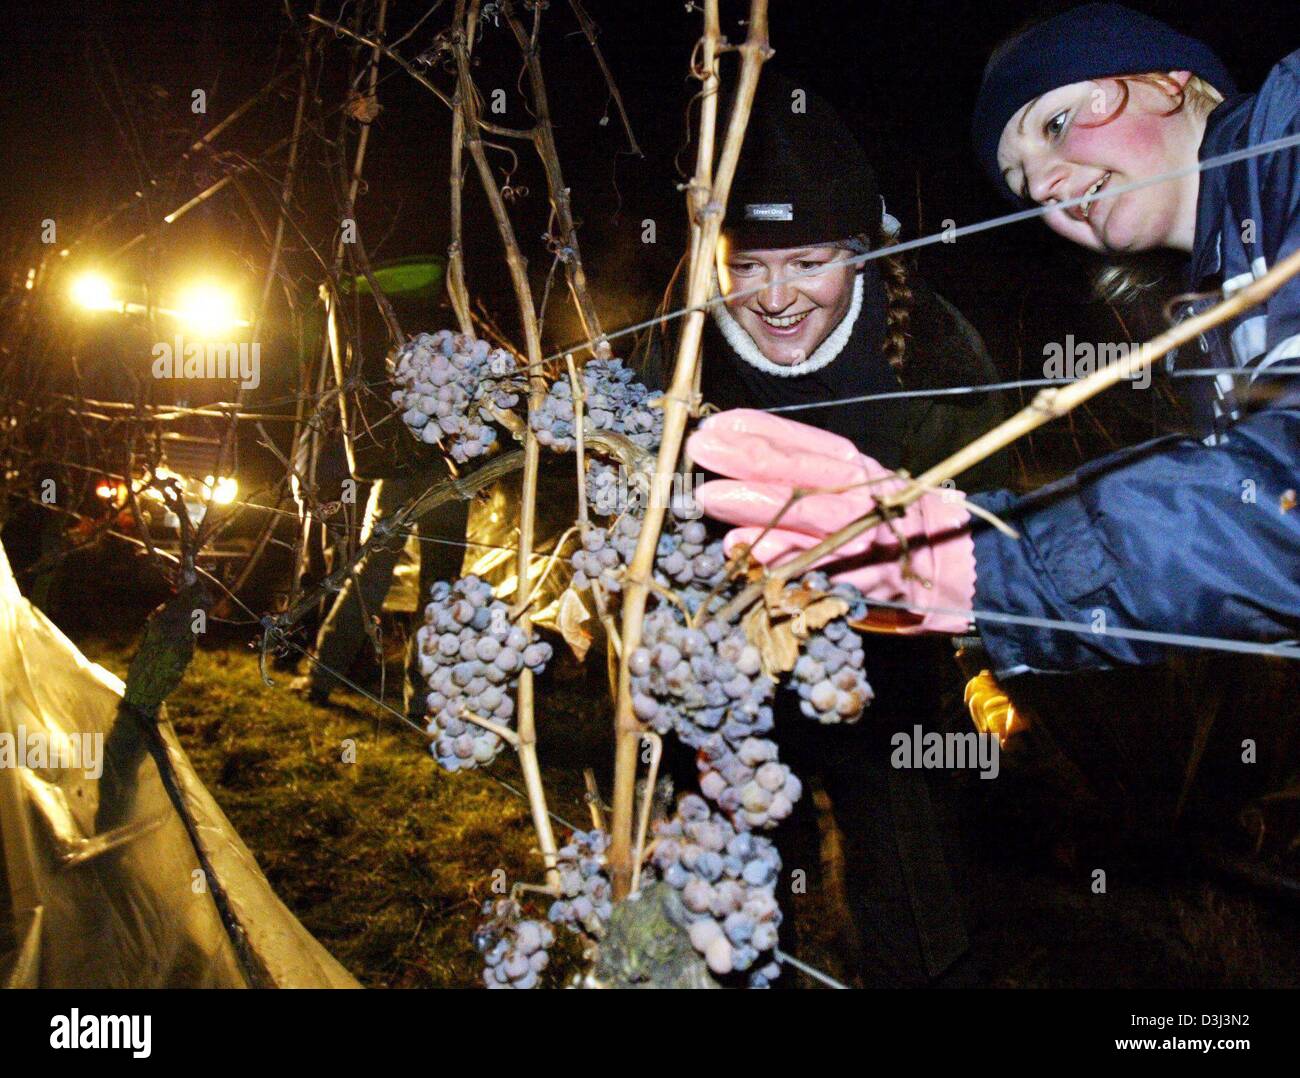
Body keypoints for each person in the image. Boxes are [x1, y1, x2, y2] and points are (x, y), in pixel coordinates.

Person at [690, 5, 1299, 681]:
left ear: (1169, 80)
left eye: (1057, 124)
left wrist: (975, 563)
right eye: (1021, 184)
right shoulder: (1220, 295)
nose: (1042, 187)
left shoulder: (1290, 143)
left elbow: (1282, 501)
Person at [640, 73, 1010, 986]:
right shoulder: (669, 356)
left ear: (866, 252)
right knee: (717, 893)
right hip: (723, 672)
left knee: (913, 872)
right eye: (749, 264)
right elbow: (626, 521)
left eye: (808, 262)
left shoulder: (935, 353)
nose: (774, 297)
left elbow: (997, 532)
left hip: (884, 666)